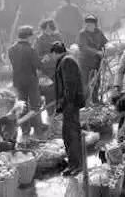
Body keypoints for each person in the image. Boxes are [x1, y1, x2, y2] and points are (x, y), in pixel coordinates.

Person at [50, 41, 85, 176]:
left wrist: (63, 103)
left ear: (54, 52)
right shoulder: (66, 60)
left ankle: (76, 165)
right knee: (69, 134)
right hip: (69, 104)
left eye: (52, 55)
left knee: (71, 135)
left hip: (70, 105)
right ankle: (74, 164)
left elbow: (70, 87)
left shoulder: (66, 62)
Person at [8, 26, 46, 136]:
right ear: (29, 36)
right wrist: (44, 61)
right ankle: (38, 129)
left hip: (18, 80)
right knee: (35, 105)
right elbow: (38, 65)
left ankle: (25, 129)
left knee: (22, 105)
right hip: (31, 80)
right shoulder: (30, 50)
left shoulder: (11, 49)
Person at [78, 15, 108, 103]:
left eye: (91, 24)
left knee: (96, 81)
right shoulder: (82, 34)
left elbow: (105, 43)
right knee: (85, 82)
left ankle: (95, 100)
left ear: (95, 25)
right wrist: (96, 52)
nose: (89, 26)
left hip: (97, 61)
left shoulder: (99, 32)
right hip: (85, 61)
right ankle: (84, 101)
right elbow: (84, 47)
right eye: (87, 24)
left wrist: (106, 50)